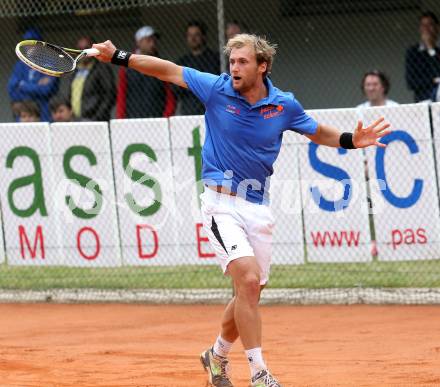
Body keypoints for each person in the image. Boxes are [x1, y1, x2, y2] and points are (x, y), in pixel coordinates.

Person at [92, 33, 390, 387]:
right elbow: (169, 71)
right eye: (232, 61)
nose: (234, 68)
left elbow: (315, 130)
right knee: (248, 280)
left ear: (262, 66)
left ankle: (216, 356)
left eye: (242, 62)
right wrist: (120, 57)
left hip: (258, 207)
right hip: (220, 204)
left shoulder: (283, 105)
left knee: (250, 292)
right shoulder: (217, 89)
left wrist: (350, 141)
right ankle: (259, 373)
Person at [116, 26, 175, 118]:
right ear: (138, 42)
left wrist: (166, 116)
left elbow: (170, 95)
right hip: (133, 119)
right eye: (148, 40)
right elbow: (121, 95)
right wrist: (121, 118)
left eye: (154, 41)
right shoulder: (126, 66)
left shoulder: (162, 65)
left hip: (158, 119)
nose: (152, 44)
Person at [8, 28, 59, 121]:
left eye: (32, 44)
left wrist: (22, 85)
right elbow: (11, 89)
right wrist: (36, 85)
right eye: (26, 44)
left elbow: (46, 90)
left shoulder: (50, 64)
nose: (29, 47)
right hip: (24, 112)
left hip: (44, 112)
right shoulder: (20, 65)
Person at [64, 36, 115, 121]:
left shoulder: (101, 69)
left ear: (93, 50)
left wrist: (97, 117)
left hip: (95, 119)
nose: (83, 51)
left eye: (86, 48)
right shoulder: (75, 70)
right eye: (80, 49)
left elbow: (110, 95)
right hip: (76, 119)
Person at [176, 20, 220, 115]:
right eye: (189, 35)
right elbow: (176, 88)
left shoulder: (214, 58)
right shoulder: (182, 61)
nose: (193, 38)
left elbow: (215, 83)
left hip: (211, 109)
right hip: (189, 111)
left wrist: (190, 83)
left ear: (203, 37)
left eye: (196, 35)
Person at [405, 11, 440, 102]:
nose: (426, 29)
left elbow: (437, 70)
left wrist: (430, 49)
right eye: (423, 26)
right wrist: (433, 80)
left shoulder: (438, 52)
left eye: (430, 25)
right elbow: (411, 83)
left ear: (437, 27)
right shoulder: (413, 52)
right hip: (423, 100)